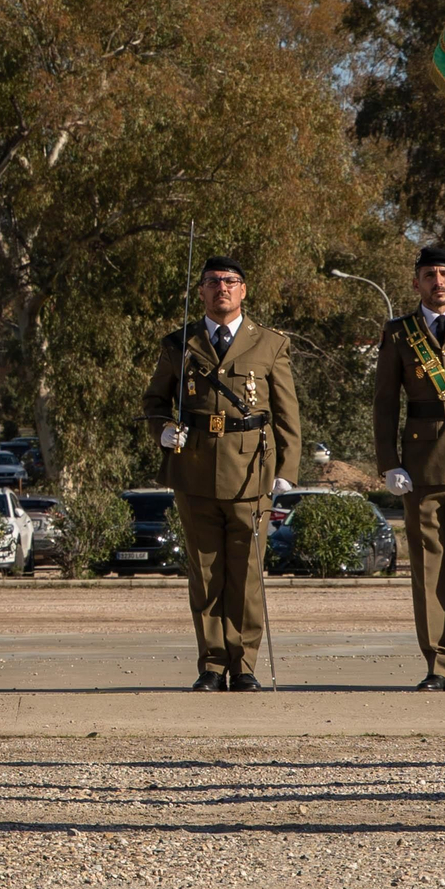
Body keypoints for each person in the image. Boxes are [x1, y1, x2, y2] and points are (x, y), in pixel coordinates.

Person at [142, 256, 300, 692]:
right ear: (202, 292)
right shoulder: (180, 343)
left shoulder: (269, 344)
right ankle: (212, 664)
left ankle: (244, 664)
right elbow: (154, 401)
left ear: (244, 290)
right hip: (194, 470)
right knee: (206, 574)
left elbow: (287, 414)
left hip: (252, 471)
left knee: (247, 574)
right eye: (212, 282)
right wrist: (163, 430)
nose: (221, 288)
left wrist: (287, 469)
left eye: (230, 281)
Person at [375, 244, 445, 689]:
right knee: (428, 569)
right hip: (421, 465)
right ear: (415, 282)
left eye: (444, 273)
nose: (438, 282)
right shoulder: (400, 333)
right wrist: (389, 463)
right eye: (430, 275)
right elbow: (385, 404)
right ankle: (438, 664)